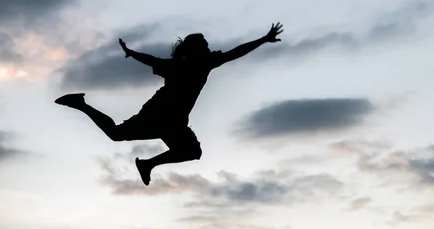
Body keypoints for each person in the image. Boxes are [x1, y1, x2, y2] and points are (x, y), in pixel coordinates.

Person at [55, 22, 283, 185]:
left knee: (191, 151)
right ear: (193, 48)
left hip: (174, 120)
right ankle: (81, 104)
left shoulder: (203, 62)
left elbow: (236, 52)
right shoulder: (187, 64)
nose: (206, 45)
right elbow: (151, 60)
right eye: (202, 43)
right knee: (119, 135)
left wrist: (263, 39)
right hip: (160, 114)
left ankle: (146, 164)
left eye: (206, 42)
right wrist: (132, 53)